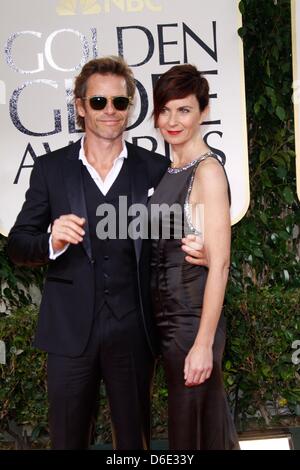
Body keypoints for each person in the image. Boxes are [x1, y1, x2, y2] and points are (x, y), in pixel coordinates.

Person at [7, 56, 206, 450]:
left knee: (135, 444)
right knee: (68, 441)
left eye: (120, 102)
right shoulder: (51, 170)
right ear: (80, 107)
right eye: (99, 102)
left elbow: (169, 235)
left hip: (133, 331)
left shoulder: (154, 167)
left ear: (129, 107)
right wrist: (51, 240)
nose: (110, 112)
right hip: (68, 334)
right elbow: (18, 243)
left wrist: (196, 246)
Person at [150, 64, 240, 450]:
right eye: (165, 110)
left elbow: (219, 263)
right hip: (169, 322)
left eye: (184, 110)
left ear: (203, 112)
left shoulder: (208, 173)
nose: (173, 120)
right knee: (193, 427)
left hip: (191, 322)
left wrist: (203, 343)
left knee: (195, 431)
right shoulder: (169, 170)